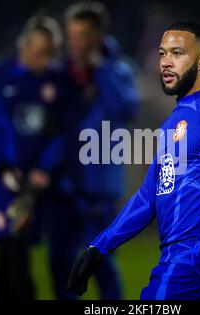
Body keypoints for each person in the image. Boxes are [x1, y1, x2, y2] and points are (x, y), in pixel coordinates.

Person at [68, 21, 200, 300]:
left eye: (177, 53)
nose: (166, 62)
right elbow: (148, 197)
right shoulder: (173, 123)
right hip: (175, 261)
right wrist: (99, 247)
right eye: (162, 53)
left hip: (196, 266)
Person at [0, 16, 65, 300]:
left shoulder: (55, 81)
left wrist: (44, 167)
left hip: (32, 180)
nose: (42, 59)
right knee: (15, 250)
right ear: (24, 45)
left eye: (48, 53)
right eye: (38, 51)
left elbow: (62, 132)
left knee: (10, 252)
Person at [59, 1, 139, 300]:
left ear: (97, 36)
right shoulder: (64, 72)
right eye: (71, 35)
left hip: (100, 180)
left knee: (100, 259)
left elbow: (126, 108)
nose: (74, 42)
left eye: (81, 35)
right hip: (64, 179)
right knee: (64, 260)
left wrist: (100, 70)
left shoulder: (118, 69)